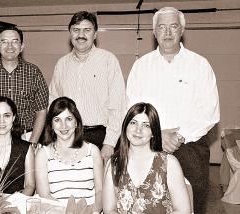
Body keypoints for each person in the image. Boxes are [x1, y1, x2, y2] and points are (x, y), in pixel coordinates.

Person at [126, 7, 220, 213]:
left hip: (191, 150)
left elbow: (210, 110)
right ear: (154, 32)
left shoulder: (200, 65)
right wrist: (157, 135)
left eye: (173, 26)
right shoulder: (141, 67)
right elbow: (131, 109)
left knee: (193, 206)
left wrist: (179, 136)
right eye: (162, 27)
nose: (167, 33)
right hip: (149, 147)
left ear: (182, 30)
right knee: (151, 205)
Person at [49, 11, 126, 161]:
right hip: (67, 137)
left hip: (100, 138)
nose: (81, 35)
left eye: (87, 30)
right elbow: (53, 102)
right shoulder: (61, 64)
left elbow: (118, 104)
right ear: (70, 33)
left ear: (95, 34)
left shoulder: (108, 61)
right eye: (76, 30)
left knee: (100, 184)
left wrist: (110, 143)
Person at [103, 102, 191, 214]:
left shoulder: (169, 163)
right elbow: (109, 210)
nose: (138, 130)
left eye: (146, 125)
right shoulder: (114, 163)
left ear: (154, 132)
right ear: (125, 127)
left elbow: (183, 210)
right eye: (133, 123)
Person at [0, 26, 49, 145]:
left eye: (15, 41)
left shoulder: (34, 72)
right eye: (4, 42)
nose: (10, 46)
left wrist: (32, 143)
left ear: (22, 46)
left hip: (26, 136)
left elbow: (41, 111)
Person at [35, 97, 103, 212]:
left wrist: (93, 211)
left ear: (76, 122)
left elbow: (100, 191)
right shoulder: (43, 154)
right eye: (57, 120)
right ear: (51, 124)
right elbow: (44, 196)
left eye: (69, 119)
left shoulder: (93, 151)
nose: (64, 126)